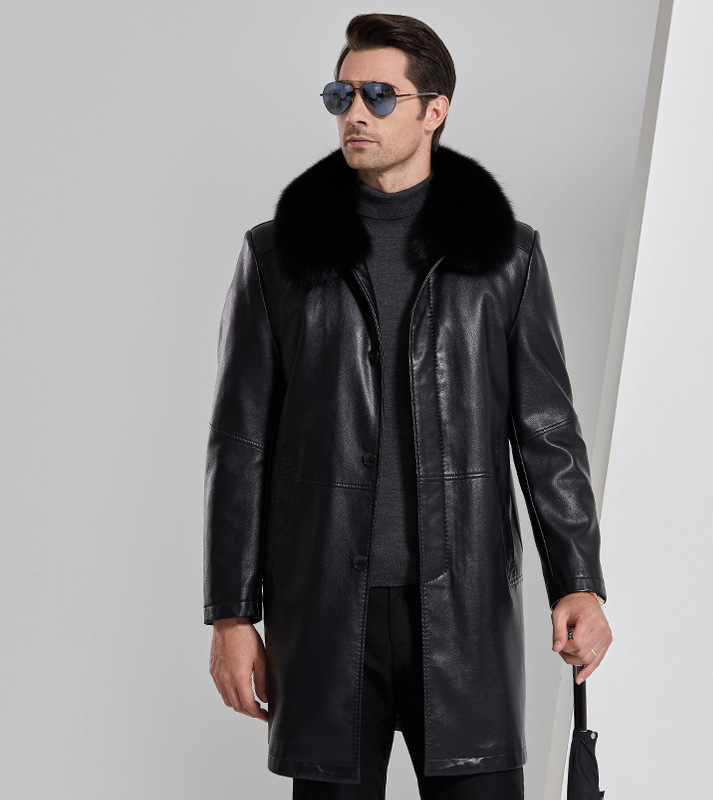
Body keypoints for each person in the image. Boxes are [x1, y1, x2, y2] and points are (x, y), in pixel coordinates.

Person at [203, 12, 612, 800]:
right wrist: (231, 614)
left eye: (379, 96)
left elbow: (547, 434)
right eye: (342, 95)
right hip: (324, 614)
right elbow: (240, 443)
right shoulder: (276, 255)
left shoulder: (507, 256)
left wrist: (581, 582)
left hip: (463, 615)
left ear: (435, 109)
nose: (355, 113)